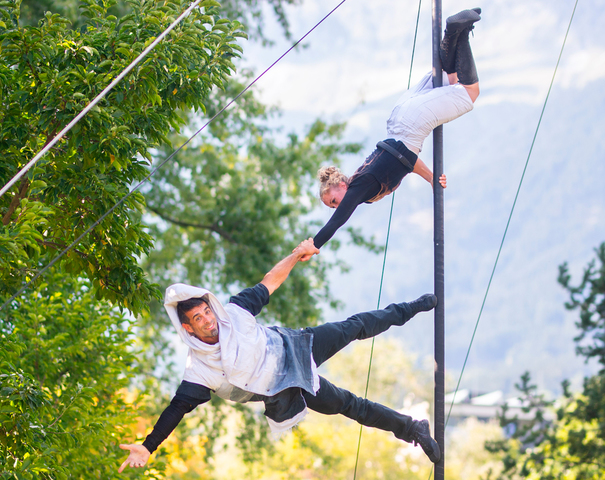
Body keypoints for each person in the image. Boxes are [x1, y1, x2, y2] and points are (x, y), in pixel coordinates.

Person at [118, 240, 442, 472]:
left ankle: (412, 307)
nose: (208, 321)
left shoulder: (235, 312)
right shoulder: (200, 370)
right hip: (288, 389)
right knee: (348, 405)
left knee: (352, 326)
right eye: (199, 319)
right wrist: (148, 446)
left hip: (293, 347)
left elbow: (269, 282)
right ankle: (414, 429)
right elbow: (177, 409)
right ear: (188, 329)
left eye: (207, 312)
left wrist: (296, 254)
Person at [311, 8, 482, 251]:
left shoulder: (358, 187)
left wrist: (313, 245)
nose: (337, 205)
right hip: (400, 118)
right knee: (450, 78)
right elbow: (405, 159)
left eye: (333, 200)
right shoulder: (367, 177)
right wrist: (432, 179)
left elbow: (336, 223)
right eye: (333, 205)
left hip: (411, 126)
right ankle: (457, 30)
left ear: (340, 185)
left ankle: (457, 32)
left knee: (469, 92)